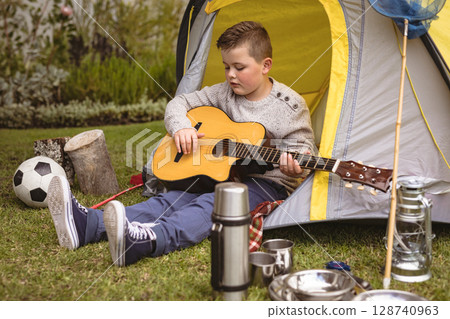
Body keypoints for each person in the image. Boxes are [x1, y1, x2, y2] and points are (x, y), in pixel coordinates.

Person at [47, 21, 315, 267]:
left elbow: (306, 150)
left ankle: (147, 241)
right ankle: (87, 225)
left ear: (265, 65)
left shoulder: (290, 105)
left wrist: (297, 164)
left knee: (212, 204)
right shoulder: (224, 92)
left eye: (239, 67)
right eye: (226, 66)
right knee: (171, 199)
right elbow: (179, 103)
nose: (230, 75)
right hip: (221, 174)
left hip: (266, 185)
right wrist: (182, 128)